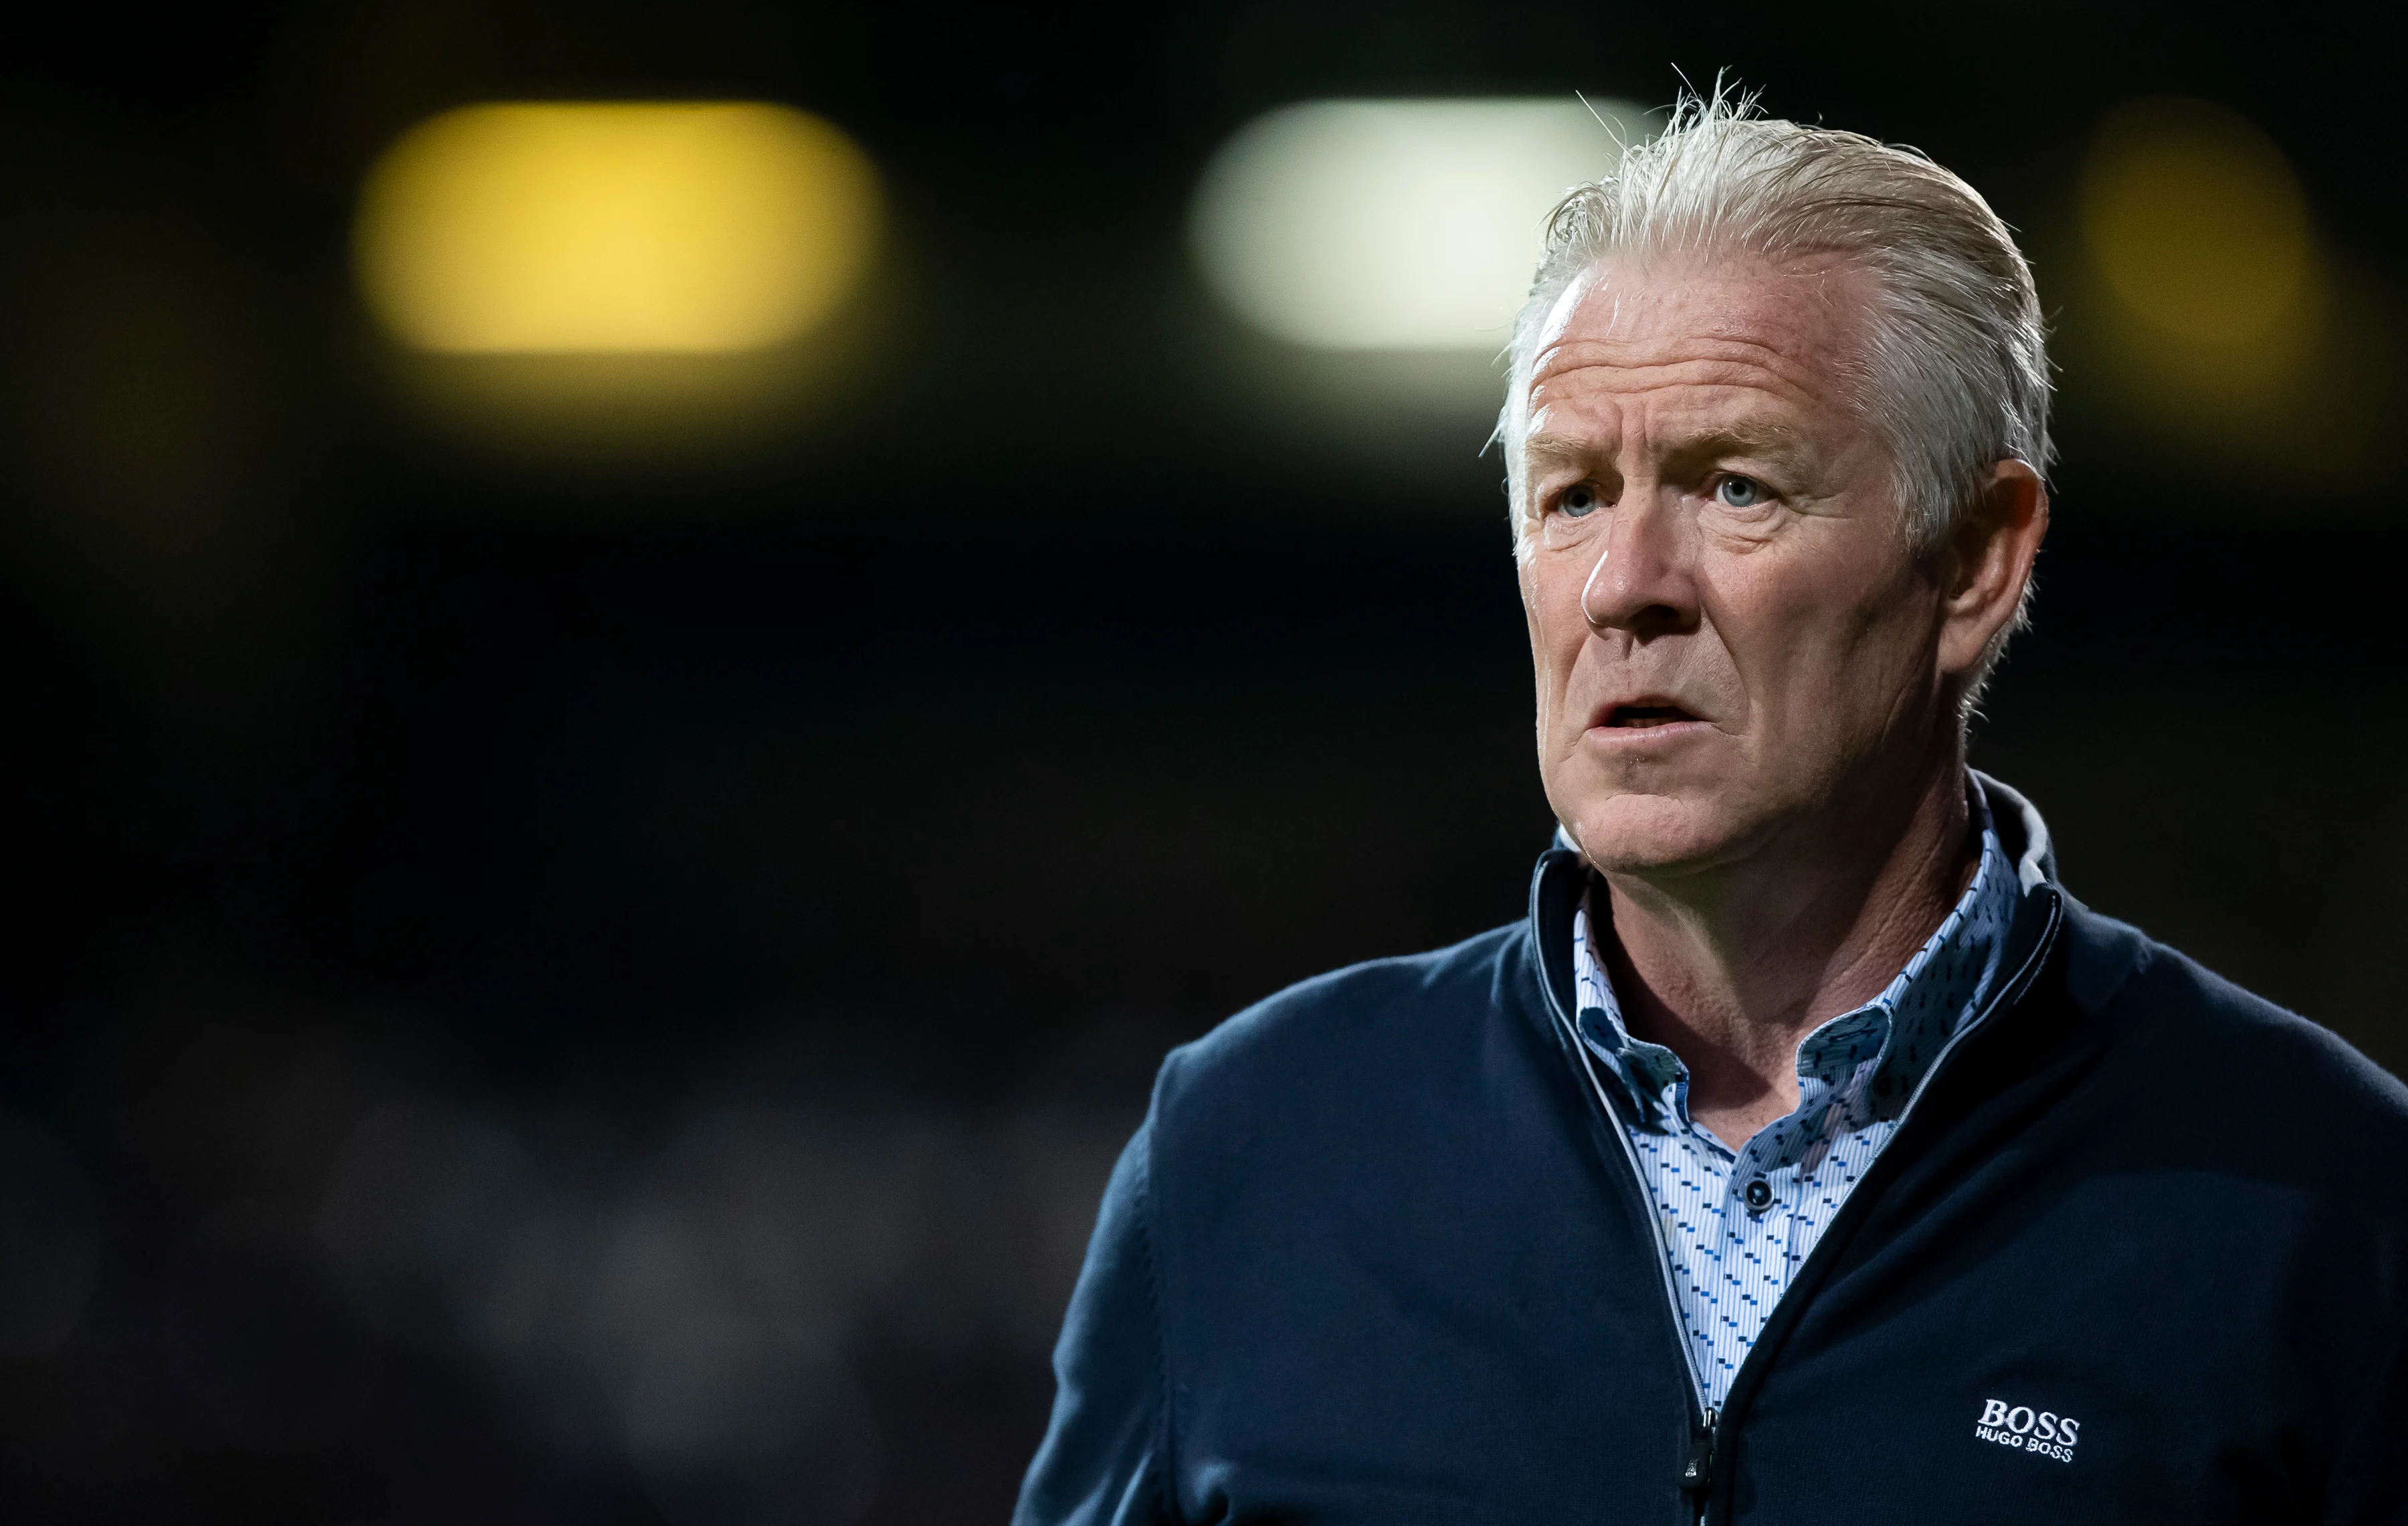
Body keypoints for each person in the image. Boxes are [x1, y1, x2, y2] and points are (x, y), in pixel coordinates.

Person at [1013, 94, 2408, 1524]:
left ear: (1978, 561)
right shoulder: (1251, 1150)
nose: (1626, 584)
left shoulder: (2330, 1205)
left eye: (1734, 487)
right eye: (1569, 498)